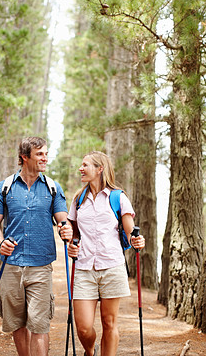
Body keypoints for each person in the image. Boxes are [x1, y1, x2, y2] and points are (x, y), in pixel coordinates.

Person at [0, 136, 72, 356]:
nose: (45, 158)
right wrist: (0, 242)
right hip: (10, 265)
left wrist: (66, 228)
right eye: (40, 154)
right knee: (17, 323)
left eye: (46, 153)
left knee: (39, 324)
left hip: (41, 266)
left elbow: (63, 219)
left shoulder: (53, 188)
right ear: (25, 157)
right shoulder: (4, 188)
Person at [67, 151, 145, 356]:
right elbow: (73, 233)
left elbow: (131, 234)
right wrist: (71, 244)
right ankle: (91, 351)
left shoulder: (118, 197)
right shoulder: (78, 198)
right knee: (83, 327)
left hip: (111, 265)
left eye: (85, 165)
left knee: (109, 323)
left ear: (99, 169)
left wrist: (137, 241)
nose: (80, 169)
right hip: (84, 268)